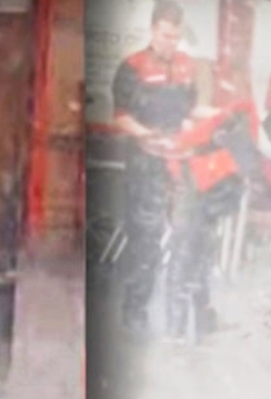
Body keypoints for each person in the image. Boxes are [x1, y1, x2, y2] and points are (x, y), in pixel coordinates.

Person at [110, 0, 221, 340]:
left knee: (194, 236)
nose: (169, 43)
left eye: (174, 37)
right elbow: (121, 116)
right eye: (163, 36)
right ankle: (135, 311)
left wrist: (216, 118)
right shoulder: (132, 66)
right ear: (153, 30)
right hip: (145, 162)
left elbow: (191, 110)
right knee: (145, 240)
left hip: (180, 160)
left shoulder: (188, 67)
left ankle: (195, 313)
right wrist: (147, 135)